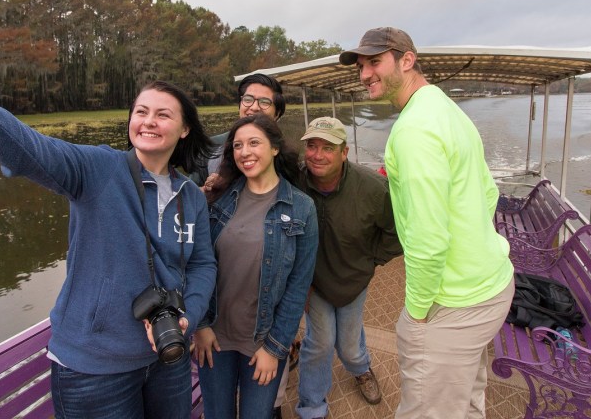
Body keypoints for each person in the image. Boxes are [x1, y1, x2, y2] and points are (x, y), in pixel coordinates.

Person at [0, 7, 217, 419]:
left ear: (185, 129)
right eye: (141, 112)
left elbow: (204, 263)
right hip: (95, 371)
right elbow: (23, 146)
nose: (148, 121)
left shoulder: (190, 195)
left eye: (163, 114)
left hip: (168, 357)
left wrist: (187, 315)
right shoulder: (96, 170)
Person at [339, 27, 515, 419]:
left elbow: (428, 240)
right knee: (467, 401)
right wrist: (471, 240)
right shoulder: (446, 108)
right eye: (361, 66)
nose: (364, 74)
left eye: (374, 62)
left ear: (407, 60)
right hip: (493, 286)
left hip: (455, 303)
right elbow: (488, 193)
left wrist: (417, 313)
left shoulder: (413, 131)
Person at [194, 114, 318, 419]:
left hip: (262, 342)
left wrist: (276, 348)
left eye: (253, 143)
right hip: (214, 338)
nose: (244, 152)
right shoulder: (216, 201)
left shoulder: (302, 208)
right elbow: (195, 265)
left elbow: (298, 286)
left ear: (274, 148)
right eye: (237, 146)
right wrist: (200, 326)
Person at [294, 117, 403, 419]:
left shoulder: (373, 188)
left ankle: (360, 368)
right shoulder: (294, 182)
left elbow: (397, 232)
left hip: (354, 279)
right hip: (314, 281)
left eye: (328, 148)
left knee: (349, 341)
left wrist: (371, 260)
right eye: (312, 146)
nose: (317, 155)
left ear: (345, 152)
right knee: (321, 341)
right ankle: (312, 407)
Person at [195, 73, 287, 187]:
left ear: (277, 113)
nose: (254, 107)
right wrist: (209, 189)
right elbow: (191, 193)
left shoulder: (286, 154)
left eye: (264, 102)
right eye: (248, 99)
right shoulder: (211, 147)